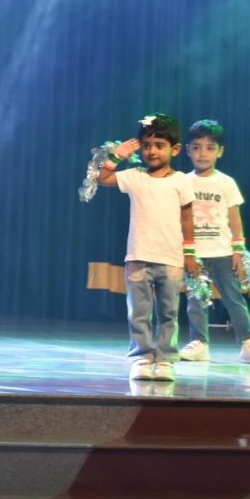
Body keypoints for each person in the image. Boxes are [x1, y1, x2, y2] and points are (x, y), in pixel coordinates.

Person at [95, 113, 201, 381]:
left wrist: (189, 253)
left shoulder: (181, 180)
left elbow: (187, 218)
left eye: (159, 145)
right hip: (138, 256)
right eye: (146, 145)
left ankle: (165, 359)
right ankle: (141, 357)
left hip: (171, 258)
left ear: (175, 149)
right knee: (139, 313)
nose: (152, 151)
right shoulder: (135, 176)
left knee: (168, 313)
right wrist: (116, 157)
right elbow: (102, 178)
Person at [178, 119, 250, 365]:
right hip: (194, 253)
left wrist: (239, 249)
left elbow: (234, 217)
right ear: (187, 150)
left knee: (233, 298)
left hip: (223, 251)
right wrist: (186, 251)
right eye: (197, 147)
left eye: (210, 148)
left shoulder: (226, 182)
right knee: (196, 300)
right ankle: (199, 342)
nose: (203, 153)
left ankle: (249, 341)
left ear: (220, 151)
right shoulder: (183, 181)